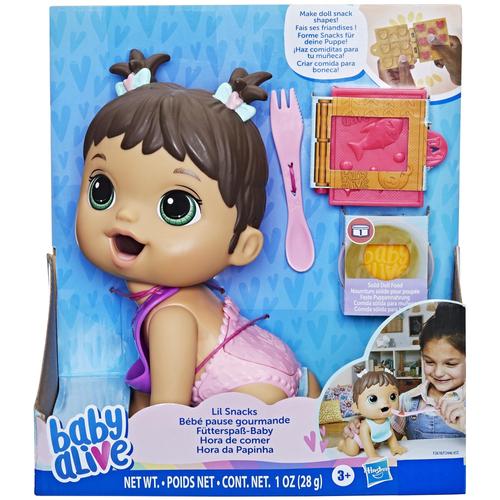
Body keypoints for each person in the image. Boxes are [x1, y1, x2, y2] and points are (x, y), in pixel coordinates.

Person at [75, 49, 320, 414]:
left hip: (256, 396)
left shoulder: (171, 316)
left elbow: (168, 411)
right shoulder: (177, 299)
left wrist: (143, 436)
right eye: (102, 190)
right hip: (282, 373)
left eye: (175, 207)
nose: (125, 214)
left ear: (243, 245)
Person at [343, 302, 465, 441]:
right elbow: (384, 441)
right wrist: (366, 428)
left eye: (450, 364)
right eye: (429, 362)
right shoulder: (406, 400)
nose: (438, 373)